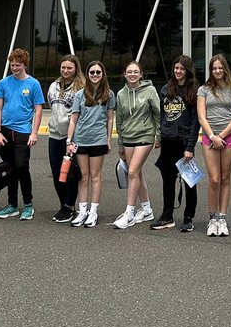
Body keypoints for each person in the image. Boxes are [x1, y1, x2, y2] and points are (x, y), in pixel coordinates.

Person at [0, 48, 45, 220]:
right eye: (12, 65)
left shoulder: (33, 84)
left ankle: (28, 205)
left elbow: (38, 110)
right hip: (5, 131)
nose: (14, 68)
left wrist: (34, 133)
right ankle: (12, 204)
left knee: (22, 167)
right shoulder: (4, 83)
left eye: (18, 65)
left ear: (25, 65)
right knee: (10, 168)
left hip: (23, 132)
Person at [151, 55, 200, 232]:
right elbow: (162, 116)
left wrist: (190, 147)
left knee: (189, 182)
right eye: (176, 68)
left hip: (184, 141)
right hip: (167, 140)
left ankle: (188, 217)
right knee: (168, 180)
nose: (178, 71)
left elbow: (196, 121)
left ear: (188, 71)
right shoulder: (166, 89)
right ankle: (167, 216)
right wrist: (160, 135)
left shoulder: (194, 90)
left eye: (182, 69)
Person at [196, 53, 231, 237]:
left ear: (225, 69)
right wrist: (212, 136)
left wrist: (221, 136)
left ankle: (222, 218)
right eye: (214, 68)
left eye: (220, 67)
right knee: (214, 179)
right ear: (211, 70)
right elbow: (201, 116)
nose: (217, 70)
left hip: (228, 138)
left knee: (225, 178)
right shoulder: (204, 89)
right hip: (209, 138)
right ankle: (212, 218)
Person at [66, 60, 115, 228]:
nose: (95, 75)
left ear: (103, 75)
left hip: (98, 140)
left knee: (96, 176)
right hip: (81, 140)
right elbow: (73, 119)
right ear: (87, 74)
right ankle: (82, 211)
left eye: (98, 72)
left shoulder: (109, 94)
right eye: (92, 72)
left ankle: (93, 212)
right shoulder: (80, 94)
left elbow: (110, 118)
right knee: (83, 176)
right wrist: (69, 141)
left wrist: (108, 139)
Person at [112, 61, 160, 229]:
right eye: (129, 72)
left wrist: (158, 136)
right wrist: (120, 145)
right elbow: (120, 121)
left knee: (132, 171)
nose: (132, 74)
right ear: (125, 74)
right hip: (128, 138)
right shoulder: (121, 94)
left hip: (145, 136)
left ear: (141, 74)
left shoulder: (150, 90)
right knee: (137, 173)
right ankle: (147, 210)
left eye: (135, 72)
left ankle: (129, 213)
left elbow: (158, 114)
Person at [46, 55, 85, 222]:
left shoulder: (81, 87)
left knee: (71, 173)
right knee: (57, 173)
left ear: (75, 68)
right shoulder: (54, 86)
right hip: (55, 135)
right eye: (63, 67)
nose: (66, 70)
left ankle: (70, 206)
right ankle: (64, 205)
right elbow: (51, 104)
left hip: (72, 137)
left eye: (69, 68)